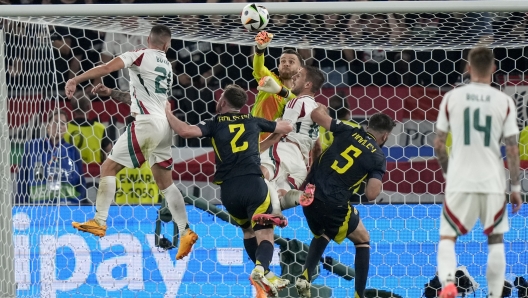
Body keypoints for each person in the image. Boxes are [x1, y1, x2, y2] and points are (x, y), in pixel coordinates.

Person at [64, 24, 198, 260]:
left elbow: (106, 67)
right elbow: (140, 97)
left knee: (108, 168)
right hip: (164, 126)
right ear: (167, 45)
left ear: (148, 39)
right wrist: (112, 93)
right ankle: (185, 231)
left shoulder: (139, 54)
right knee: (166, 184)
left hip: (146, 123)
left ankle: (99, 221)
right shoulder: (166, 66)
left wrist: (76, 78)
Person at [164, 84, 293, 298]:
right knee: (265, 233)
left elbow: (185, 131)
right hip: (254, 185)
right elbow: (286, 128)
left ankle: (265, 276)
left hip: (229, 191)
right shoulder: (252, 121)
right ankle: (262, 269)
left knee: (248, 231)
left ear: (223, 102)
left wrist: (168, 112)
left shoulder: (214, 123)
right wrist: (273, 134)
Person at [433, 47, 523, 298]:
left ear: (468, 68)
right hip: (492, 179)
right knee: (495, 241)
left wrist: (450, 175)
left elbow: (439, 145)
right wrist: (515, 188)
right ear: (493, 69)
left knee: (448, 237)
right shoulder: (504, 100)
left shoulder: (452, 97)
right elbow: (512, 149)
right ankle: (494, 294)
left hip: (461, 177)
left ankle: (449, 283)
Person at [296, 106, 396, 298]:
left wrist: (323, 108)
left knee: (325, 231)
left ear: (368, 125)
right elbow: (372, 193)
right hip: (332, 203)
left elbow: (316, 115)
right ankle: (359, 295)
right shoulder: (378, 157)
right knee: (363, 239)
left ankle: (305, 276)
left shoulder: (348, 129)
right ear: (384, 137)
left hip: (309, 196)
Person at [253, 65, 325, 226]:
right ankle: (298, 197)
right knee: (280, 194)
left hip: (286, 150)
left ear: (307, 85)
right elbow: (318, 148)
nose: (293, 77)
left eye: (298, 76)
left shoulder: (296, 103)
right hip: (303, 163)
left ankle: (277, 213)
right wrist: (312, 175)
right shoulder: (317, 109)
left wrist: (255, 149)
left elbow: (283, 130)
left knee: (260, 174)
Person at [17, 109, 86, 205]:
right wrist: (20, 205)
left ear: (67, 128)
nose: (59, 126)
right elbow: (22, 178)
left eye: (63, 123)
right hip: (38, 209)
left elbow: (81, 182)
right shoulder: (32, 146)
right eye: (55, 122)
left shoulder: (72, 150)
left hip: (66, 209)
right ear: (48, 126)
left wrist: (78, 203)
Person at [252, 31, 304, 138]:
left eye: (291, 61)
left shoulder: (301, 94)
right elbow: (259, 68)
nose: (286, 63)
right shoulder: (271, 80)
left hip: (277, 145)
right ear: (279, 66)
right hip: (253, 137)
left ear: (300, 69)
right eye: (282, 61)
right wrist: (260, 51)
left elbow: (302, 107)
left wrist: (282, 91)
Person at [65, 96, 112, 164]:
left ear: (72, 108)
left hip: (70, 171)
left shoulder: (65, 127)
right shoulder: (100, 128)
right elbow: (109, 152)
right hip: (94, 171)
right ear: (89, 107)